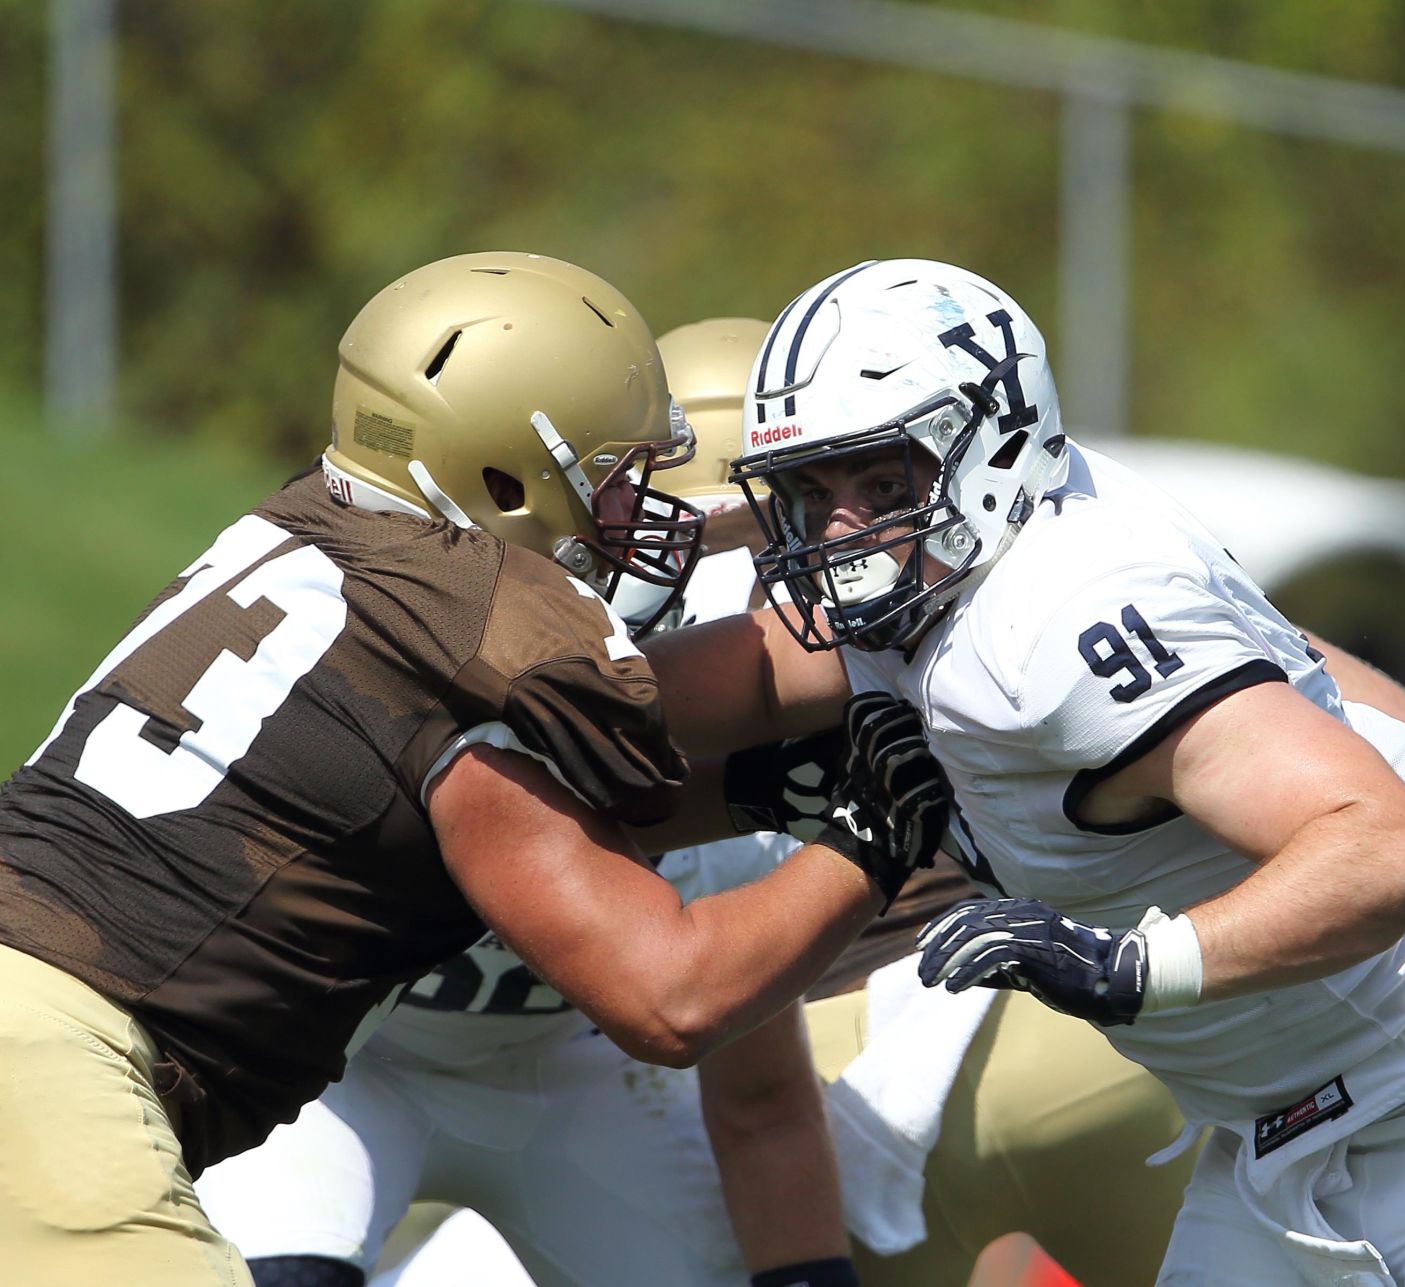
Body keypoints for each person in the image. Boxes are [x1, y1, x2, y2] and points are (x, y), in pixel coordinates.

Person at [643, 257, 1405, 1284]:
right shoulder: (955, 563)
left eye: (884, 484)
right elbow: (1283, 651)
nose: (849, 534)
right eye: (810, 491)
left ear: (991, 452)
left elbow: (1390, 852)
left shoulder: (1054, 621)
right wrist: (487, 659)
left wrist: (1132, 967)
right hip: (1268, 1143)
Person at [0, 255, 951, 1287]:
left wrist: (761, 790)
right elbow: (670, 994)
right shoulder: (481, 620)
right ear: (504, 479)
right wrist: (874, 827)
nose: (640, 512)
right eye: (618, 476)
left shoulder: (311, 529)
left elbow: (515, 785)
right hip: (58, 1060)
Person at [334, 317, 1199, 1287]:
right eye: (778, 514)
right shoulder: (429, 655)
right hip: (357, 1064)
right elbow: (679, 987)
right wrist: (848, 833)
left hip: (682, 1073)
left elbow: (734, 1062)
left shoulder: (893, 620)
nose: (811, 557)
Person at [196, 315, 859, 1287]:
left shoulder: (773, 762)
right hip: (342, 1063)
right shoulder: (428, 666)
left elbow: (757, 1096)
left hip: (577, 1078)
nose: (779, 595)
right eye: (746, 537)